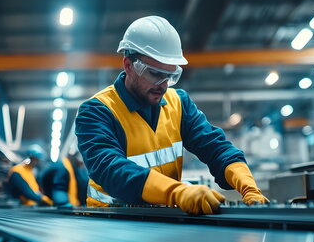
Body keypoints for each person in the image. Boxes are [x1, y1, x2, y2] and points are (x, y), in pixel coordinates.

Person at [75, 16, 269, 214]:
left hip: (163, 219)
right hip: (111, 223)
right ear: (128, 65)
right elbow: (110, 169)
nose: (163, 85)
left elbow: (215, 147)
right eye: (155, 74)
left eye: (170, 76)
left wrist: (248, 187)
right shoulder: (97, 112)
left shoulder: (179, 103)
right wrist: (176, 193)